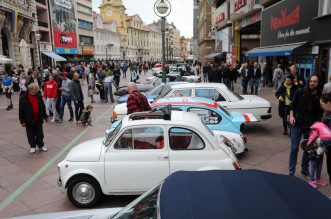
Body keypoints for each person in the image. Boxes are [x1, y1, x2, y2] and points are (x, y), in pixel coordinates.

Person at [289, 75, 323, 177]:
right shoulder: (300, 91)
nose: (312, 83)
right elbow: (292, 105)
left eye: (315, 81)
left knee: (307, 149)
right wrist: (291, 116)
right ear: (308, 81)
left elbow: (319, 113)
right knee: (294, 149)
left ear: (318, 83)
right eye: (311, 81)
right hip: (297, 124)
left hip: (310, 127)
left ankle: (304, 169)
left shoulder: (319, 95)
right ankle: (291, 171)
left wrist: (316, 125)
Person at [19, 83, 48, 154]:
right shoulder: (23, 97)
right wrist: (22, 121)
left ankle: (41, 146)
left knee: (40, 133)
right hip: (28, 119)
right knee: (30, 134)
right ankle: (32, 146)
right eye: (36, 89)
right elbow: (21, 110)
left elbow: (43, 107)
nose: (38, 90)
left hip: (38, 118)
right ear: (31, 89)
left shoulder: (38, 96)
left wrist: (45, 116)